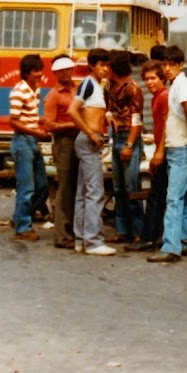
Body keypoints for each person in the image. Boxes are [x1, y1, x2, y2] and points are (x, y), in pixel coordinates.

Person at [148, 45, 187, 263]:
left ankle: (171, 246)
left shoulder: (182, 84)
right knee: (181, 197)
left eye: (171, 65)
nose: (167, 68)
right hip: (175, 146)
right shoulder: (176, 84)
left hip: (179, 148)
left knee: (173, 198)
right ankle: (185, 242)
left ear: (181, 65)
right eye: (165, 64)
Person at [65, 48, 116, 256]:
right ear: (92, 66)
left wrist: (106, 118)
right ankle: (94, 241)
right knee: (95, 192)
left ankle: (81, 239)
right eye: (101, 65)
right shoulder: (88, 83)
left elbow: (91, 112)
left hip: (90, 140)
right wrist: (90, 133)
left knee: (83, 192)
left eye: (107, 65)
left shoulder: (97, 86)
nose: (105, 69)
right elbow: (72, 110)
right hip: (89, 141)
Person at [9, 54, 50, 241]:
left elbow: (32, 116)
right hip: (23, 142)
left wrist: (46, 121)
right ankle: (22, 227)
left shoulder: (35, 90)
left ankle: (19, 217)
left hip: (32, 141)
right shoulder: (19, 92)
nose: (39, 74)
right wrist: (38, 133)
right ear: (27, 73)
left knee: (42, 186)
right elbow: (14, 122)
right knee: (26, 188)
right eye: (36, 71)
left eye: (40, 70)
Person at [106, 49, 144, 245]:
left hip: (129, 138)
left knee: (131, 187)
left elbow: (137, 120)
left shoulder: (132, 88)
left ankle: (138, 231)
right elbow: (110, 110)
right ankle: (122, 230)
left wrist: (129, 145)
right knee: (118, 187)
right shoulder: (110, 86)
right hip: (116, 136)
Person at [43, 57, 80, 249]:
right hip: (64, 142)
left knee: (74, 188)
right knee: (65, 189)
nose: (66, 73)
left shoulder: (77, 90)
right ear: (56, 73)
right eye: (62, 70)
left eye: (69, 69)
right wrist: (73, 124)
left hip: (78, 141)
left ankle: (71, 231)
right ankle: (62, 235)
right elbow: (49, 124)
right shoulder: (53, 96)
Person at [137, 61, 170, 250]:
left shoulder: (164, 96)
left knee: (156, 197)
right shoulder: (155, 97)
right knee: (156, 196)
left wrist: (159, 152)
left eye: (153, 78)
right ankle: (149, 237)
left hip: (164, 152)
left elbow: (167, 125)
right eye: (147, 79)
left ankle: (149, 239)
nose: (149, 82)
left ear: (162, 79)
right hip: (160, 150)